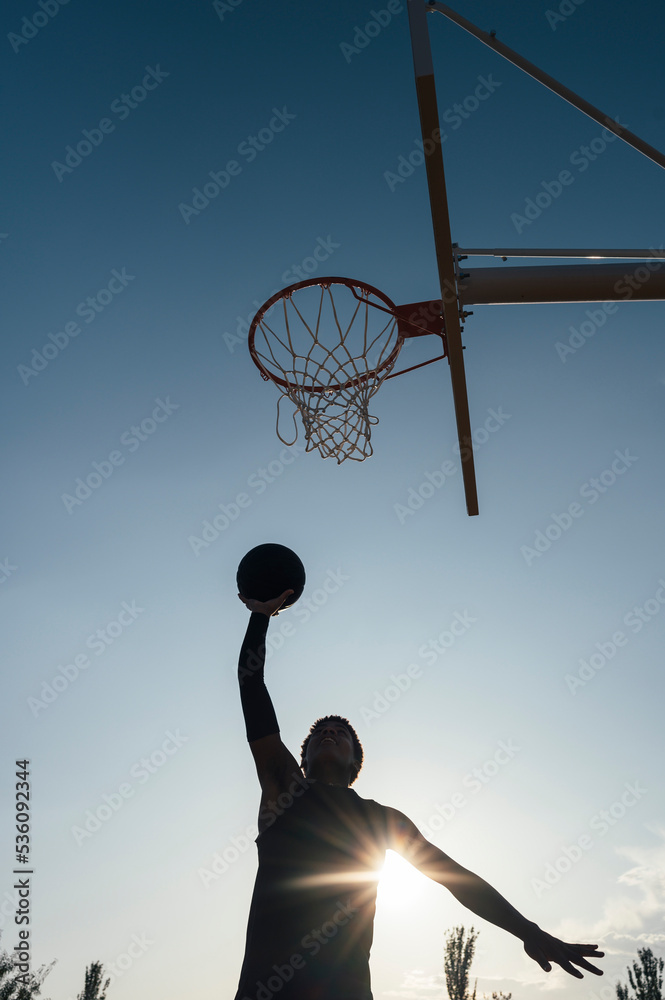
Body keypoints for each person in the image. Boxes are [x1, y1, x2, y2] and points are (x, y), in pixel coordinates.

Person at [234, 590, 604, 1000]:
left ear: (356, 761)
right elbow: (252, 685)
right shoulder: (284, 786)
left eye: (341, 733)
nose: (330, 732)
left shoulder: (384, 820)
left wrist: (528, 932)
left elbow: (457, 881)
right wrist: (261, 616)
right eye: (320, 733)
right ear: (301, 759)